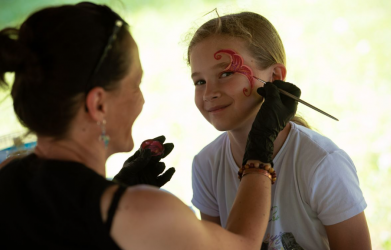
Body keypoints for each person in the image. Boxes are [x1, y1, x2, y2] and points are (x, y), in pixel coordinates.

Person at [0, 2, 299, 249]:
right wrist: (259, 150)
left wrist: (115, 188)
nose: (141, 100)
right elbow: (242, 245)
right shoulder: (144, 212)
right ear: (99, 104)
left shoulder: (9, 175)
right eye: (134, 85)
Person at [187, 11, 371, 250]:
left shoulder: (322, 164)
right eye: (199, 81)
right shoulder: (206, 165)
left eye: (226, 73)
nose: (208, 92)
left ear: (274, 77)